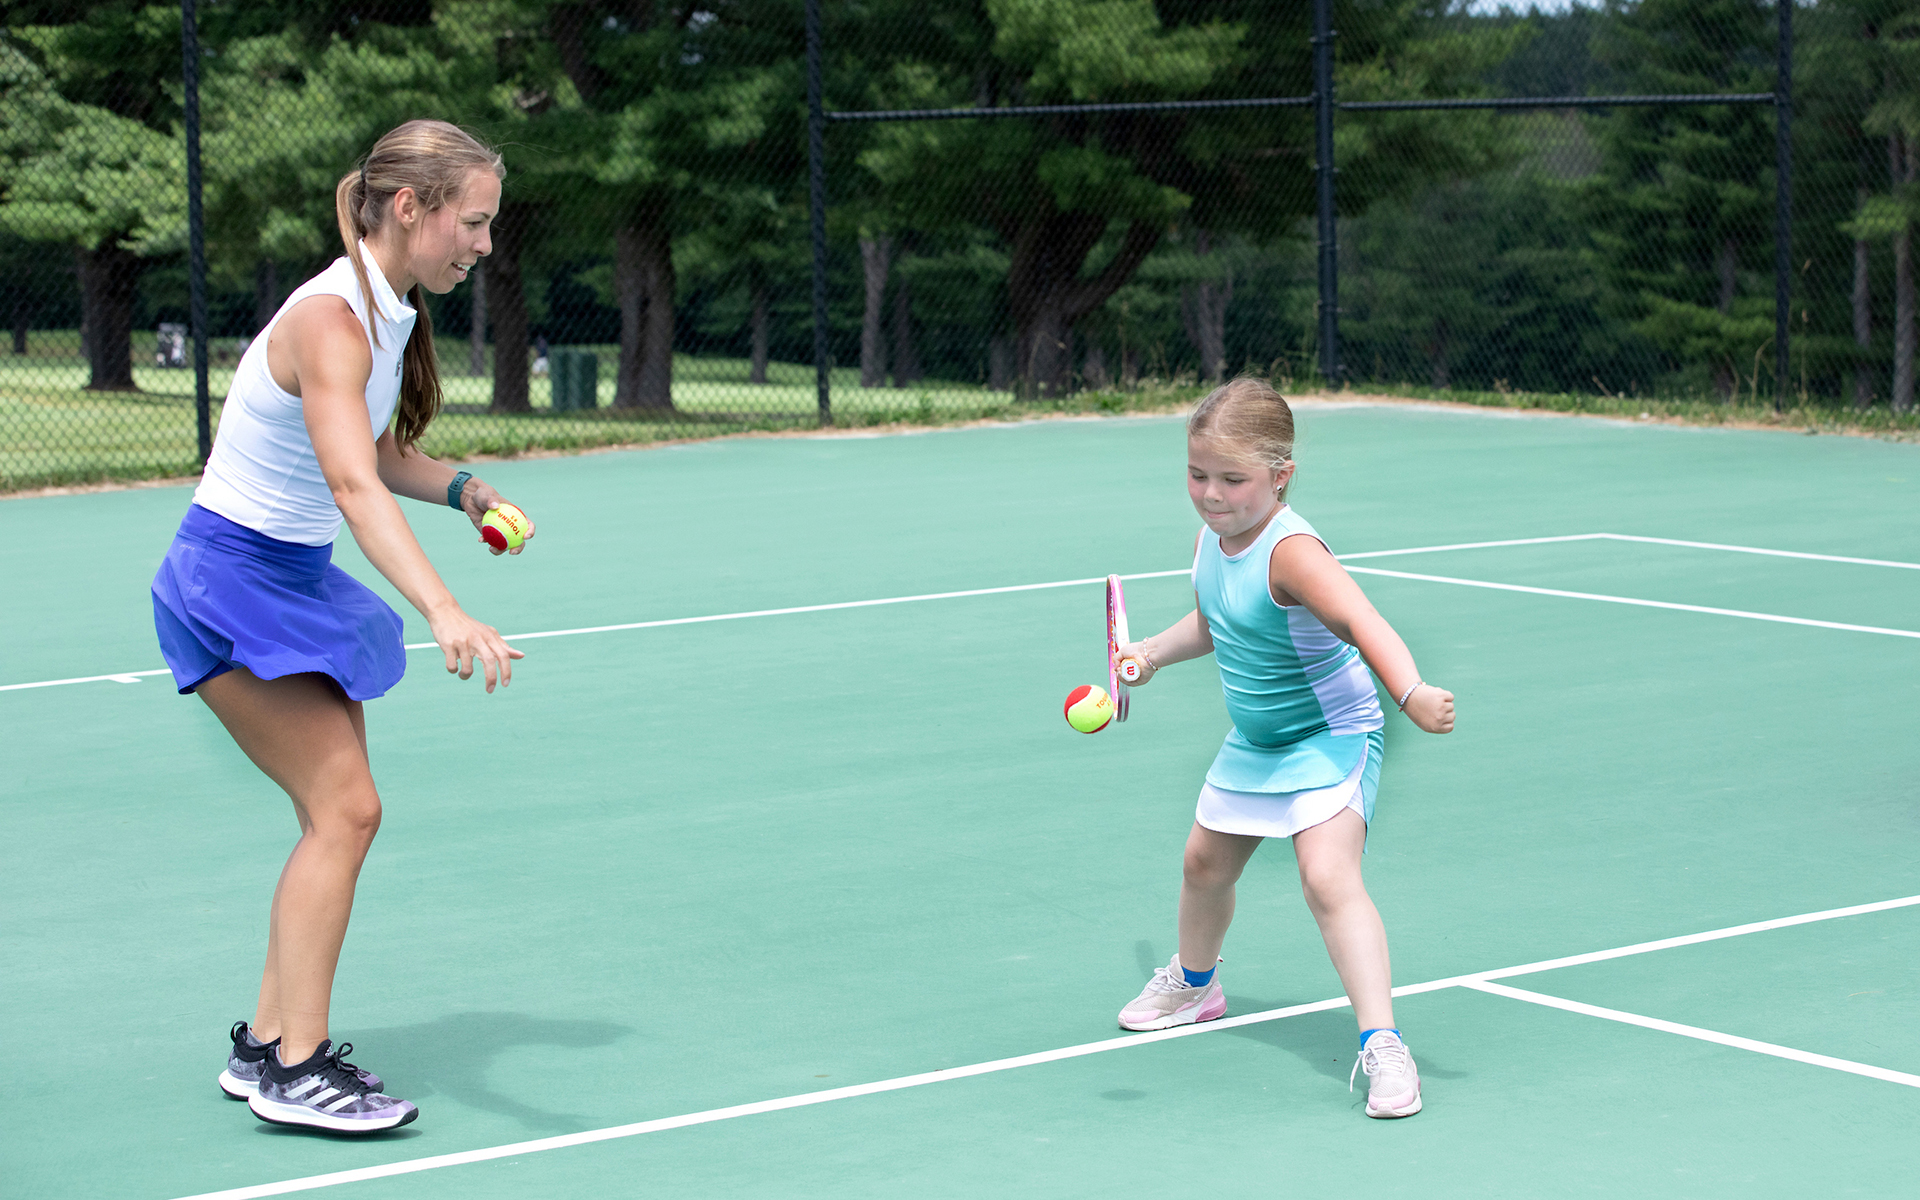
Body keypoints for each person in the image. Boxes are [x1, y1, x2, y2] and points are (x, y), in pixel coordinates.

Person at [149, 119, 532, 1134]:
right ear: (410, 207)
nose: (485, 244)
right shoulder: (332, 319)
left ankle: (269, 1046)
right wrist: (443, 608)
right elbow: (352, 485)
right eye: (474, 221)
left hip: (286, 577)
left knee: (335, 816)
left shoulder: (387, 308)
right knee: (347, 811)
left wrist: (465, 489)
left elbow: (379, 450)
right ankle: (297, 1071)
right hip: (229, 582)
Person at [1113, 377, 1454, 1119]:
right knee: (1203, 865)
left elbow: (1362, 622)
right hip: (1258, 740)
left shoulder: (1293, 553)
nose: (1211, 494)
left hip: (1331, 734)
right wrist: (1151, 654)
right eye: (1197, 474)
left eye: (1232, 479)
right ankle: (1195, 986)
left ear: (1280, 475)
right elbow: (1217, 620)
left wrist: (1412, 692)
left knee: (1327, 879)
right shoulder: (1212, 539)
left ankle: (1384, 1044)